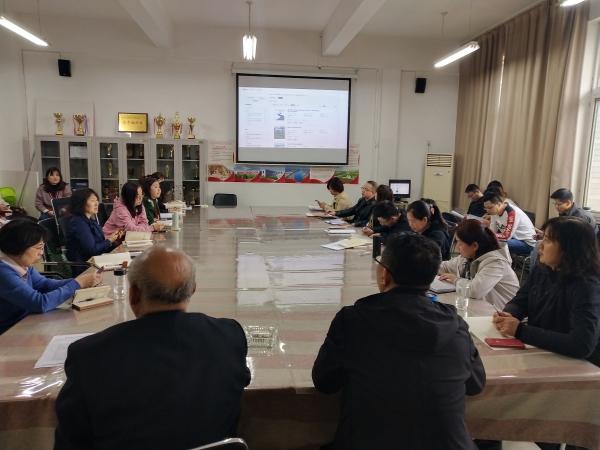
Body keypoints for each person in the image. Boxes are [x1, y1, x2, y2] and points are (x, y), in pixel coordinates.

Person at [54, 246, 251, 450]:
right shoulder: (228, 337)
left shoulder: (89, 355)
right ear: (193, 289)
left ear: (133, 294)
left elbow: (70, 441)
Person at [312, 233, 485, 450]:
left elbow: (325, 382)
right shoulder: (455, 325)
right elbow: (475, 385)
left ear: (384, 275)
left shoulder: (353, 320)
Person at [494, 216, 600, 450]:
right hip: (545, 354)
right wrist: (509, 314)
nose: (540, 245)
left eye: (549, 240)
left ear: (569, 250)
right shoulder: (542, 269)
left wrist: (520, 330)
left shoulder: (587, 285)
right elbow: (521, 300)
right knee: (537, 422)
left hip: (581, 371)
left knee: (569, 431)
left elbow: (582, 344)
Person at [0, 219, 101, 334]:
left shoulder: (23, 264)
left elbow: (45, 285)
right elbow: (39, 303)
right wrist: (78, 283)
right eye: (39, 247)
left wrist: (81, 281)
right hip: (9, 332)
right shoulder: (3, 272)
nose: (42, 253)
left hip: (28, 321)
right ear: (18, 247)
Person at [439, 219, 519, 310]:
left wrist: (455, 280)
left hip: (502, 313)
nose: (457, 247)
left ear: (475, 246)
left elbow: (475, 291)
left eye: (460, 242)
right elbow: (445, 267)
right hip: (481, 308)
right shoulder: (467, 256)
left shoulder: (496, 263)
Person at [66, 189, 123, 276]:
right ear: (81, 203)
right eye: (92, 200)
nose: (96, 204)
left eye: (97, 200)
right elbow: (92, 250)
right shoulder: (78, 223)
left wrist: (115, 240)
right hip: (86, 269)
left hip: (97, 262)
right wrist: (109, 241)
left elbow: (100, 246)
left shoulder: (90, 220)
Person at [482, 190, 536, 256]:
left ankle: (502, 262)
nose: (487, 211)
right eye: (485, 208)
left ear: (499, 204)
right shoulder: (494, 212)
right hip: (515, 238)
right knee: (489, 241)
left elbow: (506, 236)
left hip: (527, 243)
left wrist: (487, 235)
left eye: (490, 208)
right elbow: (493, 231)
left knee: (496, 243)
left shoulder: (512, 212)